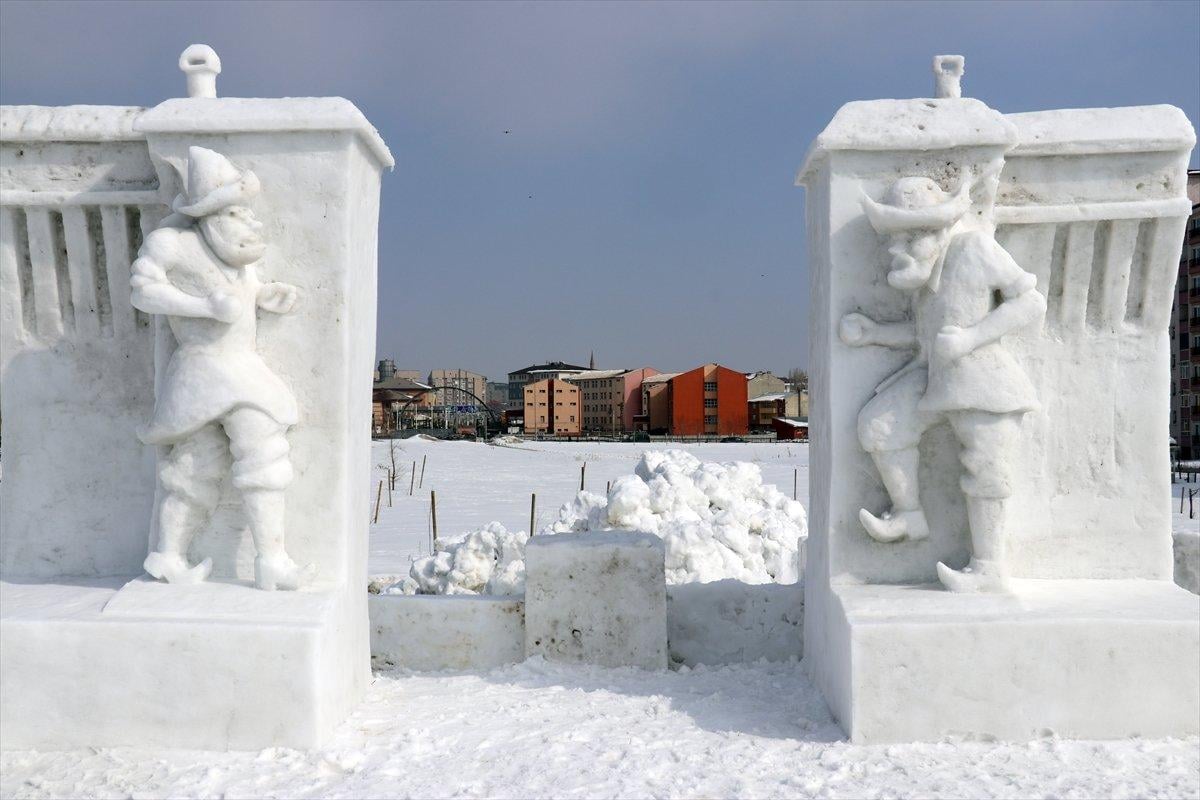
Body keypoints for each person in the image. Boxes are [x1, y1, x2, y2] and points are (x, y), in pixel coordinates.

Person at [841, 175, 1046, 592]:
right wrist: (875, 331)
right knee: (880, 425)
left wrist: (973, 337)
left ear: (934, 231)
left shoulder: (974, 249)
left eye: (904, 240)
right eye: (890, 241)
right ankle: (908, 514)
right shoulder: (924, 282)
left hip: (985, 384)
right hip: (936, 379)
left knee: (986, 470)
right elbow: (922, 336)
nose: (893, 252)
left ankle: (988, 568)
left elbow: (1030, 301)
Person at [130, 146, 314, 591]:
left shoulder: (237, 255)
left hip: (244, 370)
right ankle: (168, 555)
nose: (250, 220)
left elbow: (248, 291)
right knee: (194, 465)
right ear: (211, 214)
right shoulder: (172, 243)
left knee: (265, 456)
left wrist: (267, 295)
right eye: (237, 211)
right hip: (200, 371)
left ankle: (271, 559)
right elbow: (142, 290)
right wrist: (202, 307)